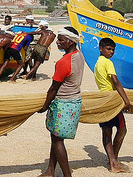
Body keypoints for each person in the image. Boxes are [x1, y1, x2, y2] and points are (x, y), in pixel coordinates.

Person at [38, 27, 85, 177]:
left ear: (71, 42)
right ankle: (50, 171)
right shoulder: (79, 55)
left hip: (63, 103)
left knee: (57, 141)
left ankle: (67, 175)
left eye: (61, 40)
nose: (57, 42)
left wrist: (44, 106)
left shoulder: (63, 62)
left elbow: (53, 88)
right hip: (75, 101)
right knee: (55, 137)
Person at [94, 38, 131, 173]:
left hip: (102, 99)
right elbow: (115, 81)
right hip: (111, 100)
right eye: (109, 49)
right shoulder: (107, 62)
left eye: (113, 50)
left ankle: (112, 160)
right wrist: (126, 100)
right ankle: (114, 161)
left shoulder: (98, 63)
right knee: (122, 129)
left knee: (107, 131)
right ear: (101, 48)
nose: (111, 52)